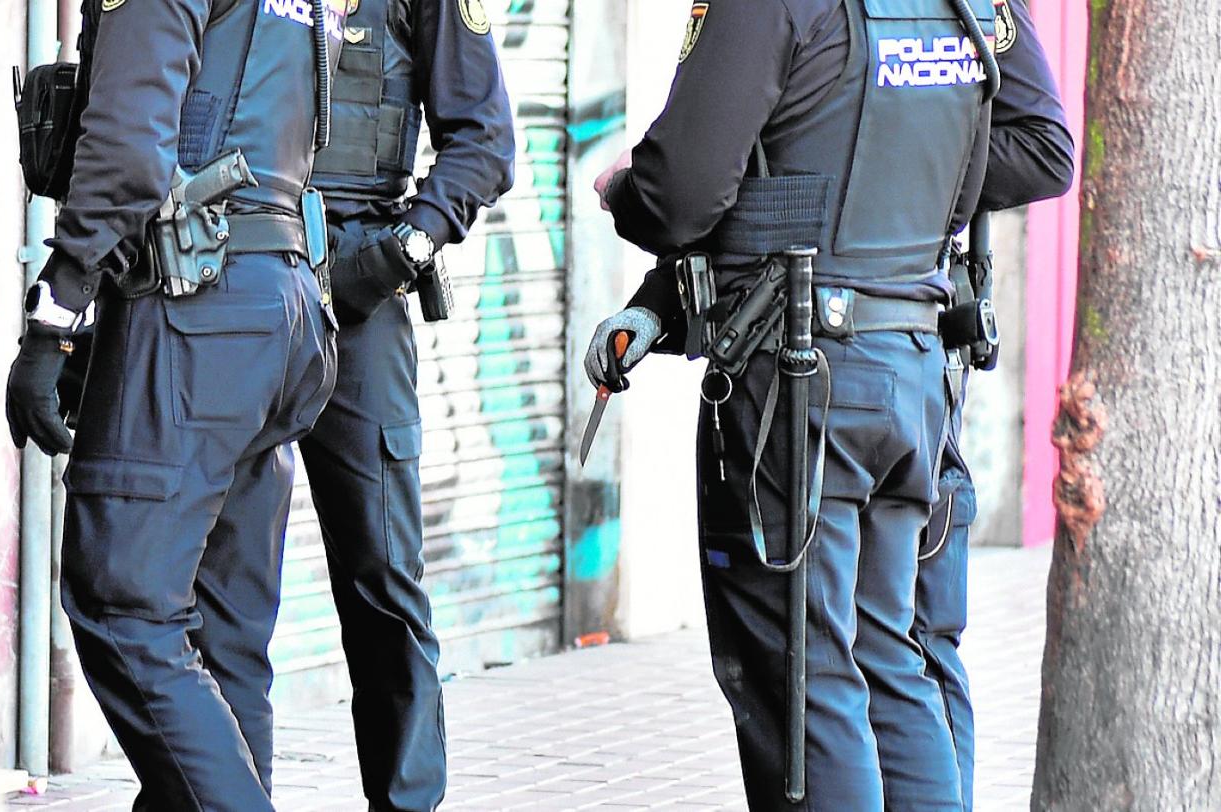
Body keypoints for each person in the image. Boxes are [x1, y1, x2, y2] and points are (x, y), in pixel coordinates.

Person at [588, 0, 998, 808]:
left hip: (803, 385)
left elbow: (682, 192)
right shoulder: (960, 10)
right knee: (890, 662)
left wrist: (623, 190)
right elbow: (966, 189)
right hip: (910, 370)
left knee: (807, 679)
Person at [4, 0, 342, 808]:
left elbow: (128, 141)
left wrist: (58, 313)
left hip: (200, 305)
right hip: (282, 302)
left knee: (125, 604)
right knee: (222, 649)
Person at [297, 0, 515, 808]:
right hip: (232, 267)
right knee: (219, 580)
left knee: (383, 573)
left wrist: (403, 250)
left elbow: (485, 140)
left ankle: (408, 801)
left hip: (356, 279)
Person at [914, 1, 1074, 809]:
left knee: (919, 635)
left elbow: (1047, 150)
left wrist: (897, 163)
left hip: (914, 349)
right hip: (810, 352)